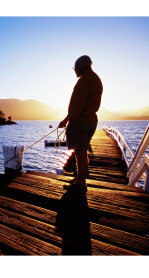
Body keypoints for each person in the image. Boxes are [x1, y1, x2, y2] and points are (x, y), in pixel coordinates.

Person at [58, 55, 103, 193]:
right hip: (91, 121)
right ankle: (79, 179)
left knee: (80, 153)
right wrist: (67, 120)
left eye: (75, 68)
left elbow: (77, 107)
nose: (75, 71)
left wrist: (67, 121)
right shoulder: (96, 79)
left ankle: (81, 184)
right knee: (82, 152)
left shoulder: (84, 81)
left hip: (81, 123)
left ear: (79, 67)